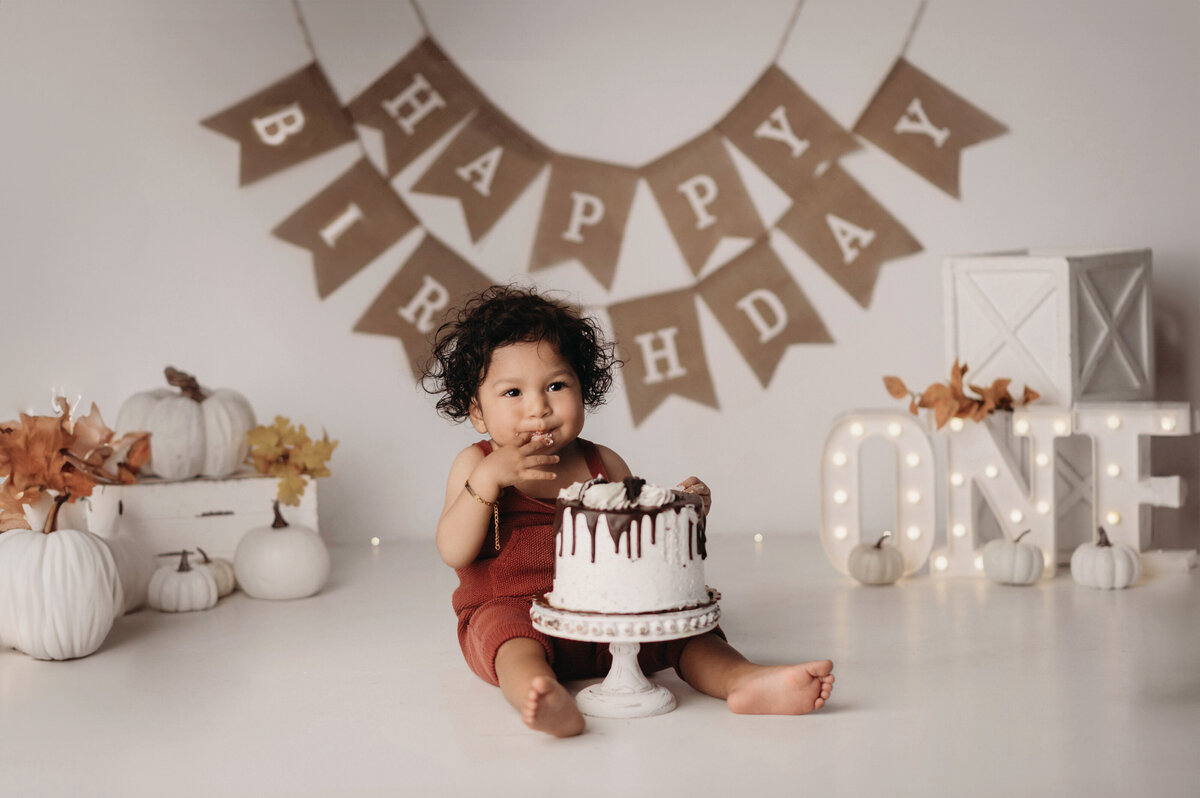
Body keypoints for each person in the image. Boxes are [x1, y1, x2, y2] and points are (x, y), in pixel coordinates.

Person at [424, 285, 834, 737]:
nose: (538, 407)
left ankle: (744, 680)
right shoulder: (475, 464)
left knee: (685, 635)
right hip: (513, 609)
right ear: (478, 413)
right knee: (511, 643)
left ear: (584, 388)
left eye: (556, 386)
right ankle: (543, 696)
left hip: (608, 618)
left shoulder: (602, 463)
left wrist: (685, 510)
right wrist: (487, 480)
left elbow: (641, 543)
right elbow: (454, 550)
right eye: (513, 393)